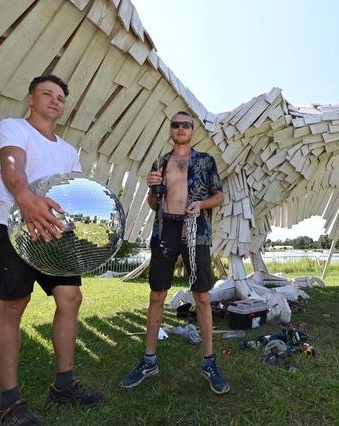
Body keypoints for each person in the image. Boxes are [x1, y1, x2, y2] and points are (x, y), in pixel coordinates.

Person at [0, 75, 104, 425]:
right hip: (13, 229)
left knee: (70, 299)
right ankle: (10, 404)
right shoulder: (13, 128)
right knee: (13, 305)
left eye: (60, 97)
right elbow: (12, 164)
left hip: (55, 237)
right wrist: (25, 198)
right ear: (31, 97)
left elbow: (77, 194)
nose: (55, 100)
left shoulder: (69, 152)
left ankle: (64, 386)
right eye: (47, 94)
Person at [121, 111, 229, 394]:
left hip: (195, 231)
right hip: (165, 230)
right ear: (171, 130)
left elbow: (219, 196)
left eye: (186, 125)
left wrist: (201, 204)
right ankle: (149, 361)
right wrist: (151, 189)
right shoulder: (161, 161)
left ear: (193, 131)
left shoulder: (205, 161)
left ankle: (209, 363)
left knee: (202, 296)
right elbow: (154, 204)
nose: (181, 128)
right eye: (176, 124)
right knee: (157, 294)